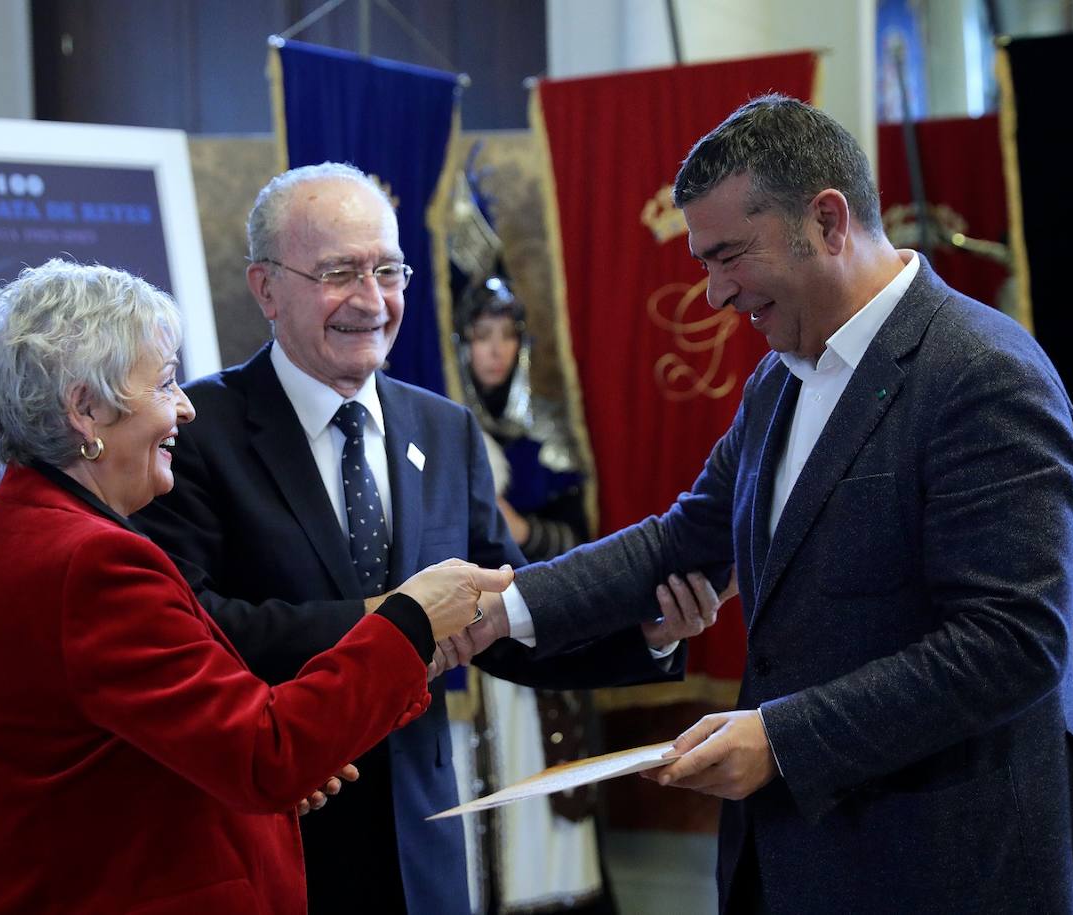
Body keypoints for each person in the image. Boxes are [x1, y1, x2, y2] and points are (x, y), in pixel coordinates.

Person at [468, 95, 1073, 913]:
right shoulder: (779, 377)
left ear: (827, 218)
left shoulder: (984, 372)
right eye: (704, 262)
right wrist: (505, 606)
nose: (711, 294)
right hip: (801, 857)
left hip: (949, 861)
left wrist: (783, 740)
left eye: (729, 255)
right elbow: (682, 541)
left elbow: (1012, 642)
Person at [131, 163, 723, 915]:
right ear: (265, 287)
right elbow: (196, 629)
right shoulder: (196, 431)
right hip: (275, 839)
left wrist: (645, 634)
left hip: (424, 841)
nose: (372, 301)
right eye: (340, 272)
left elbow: (501, 620)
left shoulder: (444, 430)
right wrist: (398, 618)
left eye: (388, 270)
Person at [0, 259, 510, 914]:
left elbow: (128, 747)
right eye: (164, 383)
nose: (185, 406)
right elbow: (265, 751)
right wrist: (410, 618)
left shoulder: (16, 531)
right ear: (86, 410)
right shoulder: (92, 565)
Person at [450, 275, 614, 914]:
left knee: (543, 802)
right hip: (463, 646)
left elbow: (584, 544)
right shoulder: (436, 423)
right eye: (481, 336)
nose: (495, 351)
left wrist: (521, 527)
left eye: (507, 335)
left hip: (537, 638)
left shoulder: (546, 434)